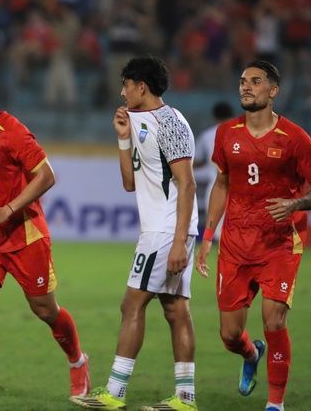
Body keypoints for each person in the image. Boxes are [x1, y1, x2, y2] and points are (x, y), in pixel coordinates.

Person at [0, 74, 90, 407]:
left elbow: (47, 175)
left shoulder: (14, 133)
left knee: (45, 310)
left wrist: (8, 208)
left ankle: (78, 361)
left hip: (25, 235)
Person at [195, 60, 311, 411]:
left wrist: (297, 203)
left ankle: (275, 404)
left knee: (273, 318)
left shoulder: (295, 138)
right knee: (229, 335)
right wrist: (207, 236)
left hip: (279, 243)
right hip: (236, 244)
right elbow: (221, 183)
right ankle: (251, 354)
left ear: (273, 91)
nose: (246, 87)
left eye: (255, 81)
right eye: (242, 81)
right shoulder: (226, 134)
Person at [71, 56, 199, 411]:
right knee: (175, 310)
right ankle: (186, 398)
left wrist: (177, 242)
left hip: (165, 230)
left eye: (126, 84)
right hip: (163, 228)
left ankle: (114, 392)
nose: (122, 90)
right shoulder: (140, 122)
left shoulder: (170, 122)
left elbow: (186, 184)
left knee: (132, 304)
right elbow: (129, 183)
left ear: (141, 86)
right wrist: (124, 140)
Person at [193, 101, 235, 240]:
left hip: (216, 186)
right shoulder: (243, 131)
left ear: (215, 116)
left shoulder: (208, 134)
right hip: (242, 185)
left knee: (218, 229)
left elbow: (198, 161)